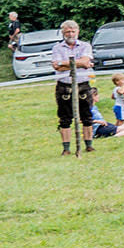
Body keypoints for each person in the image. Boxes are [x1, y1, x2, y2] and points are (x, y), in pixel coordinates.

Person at [49, 19, 95, 154]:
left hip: (83, 84)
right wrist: (79, 63)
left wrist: (64, 63)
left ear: (78, 31)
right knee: (65, 118)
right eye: (67, 32)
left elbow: (86, 61)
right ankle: (66, 148)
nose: (70, 34)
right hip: (64, 85)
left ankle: (89, 145)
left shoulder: (85, 46)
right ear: (63, 33)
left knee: (87, 116)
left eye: (73, 31)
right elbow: (56, 66)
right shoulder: (57, 48)